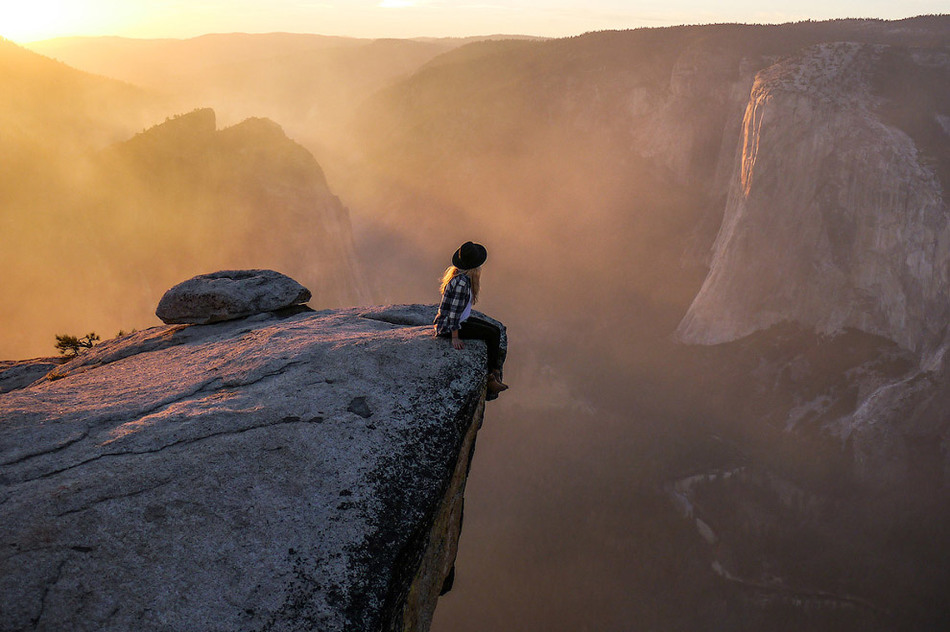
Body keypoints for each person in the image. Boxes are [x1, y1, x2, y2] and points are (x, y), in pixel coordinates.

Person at [434, 241, 508, 394]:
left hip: (460, 321)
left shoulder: (461, 278)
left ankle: (495, 375)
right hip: (450, 327)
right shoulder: (461, 283)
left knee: (495, 329)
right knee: (492, 334)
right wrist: (455, 337)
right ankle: (491, 378)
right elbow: (453, 313)